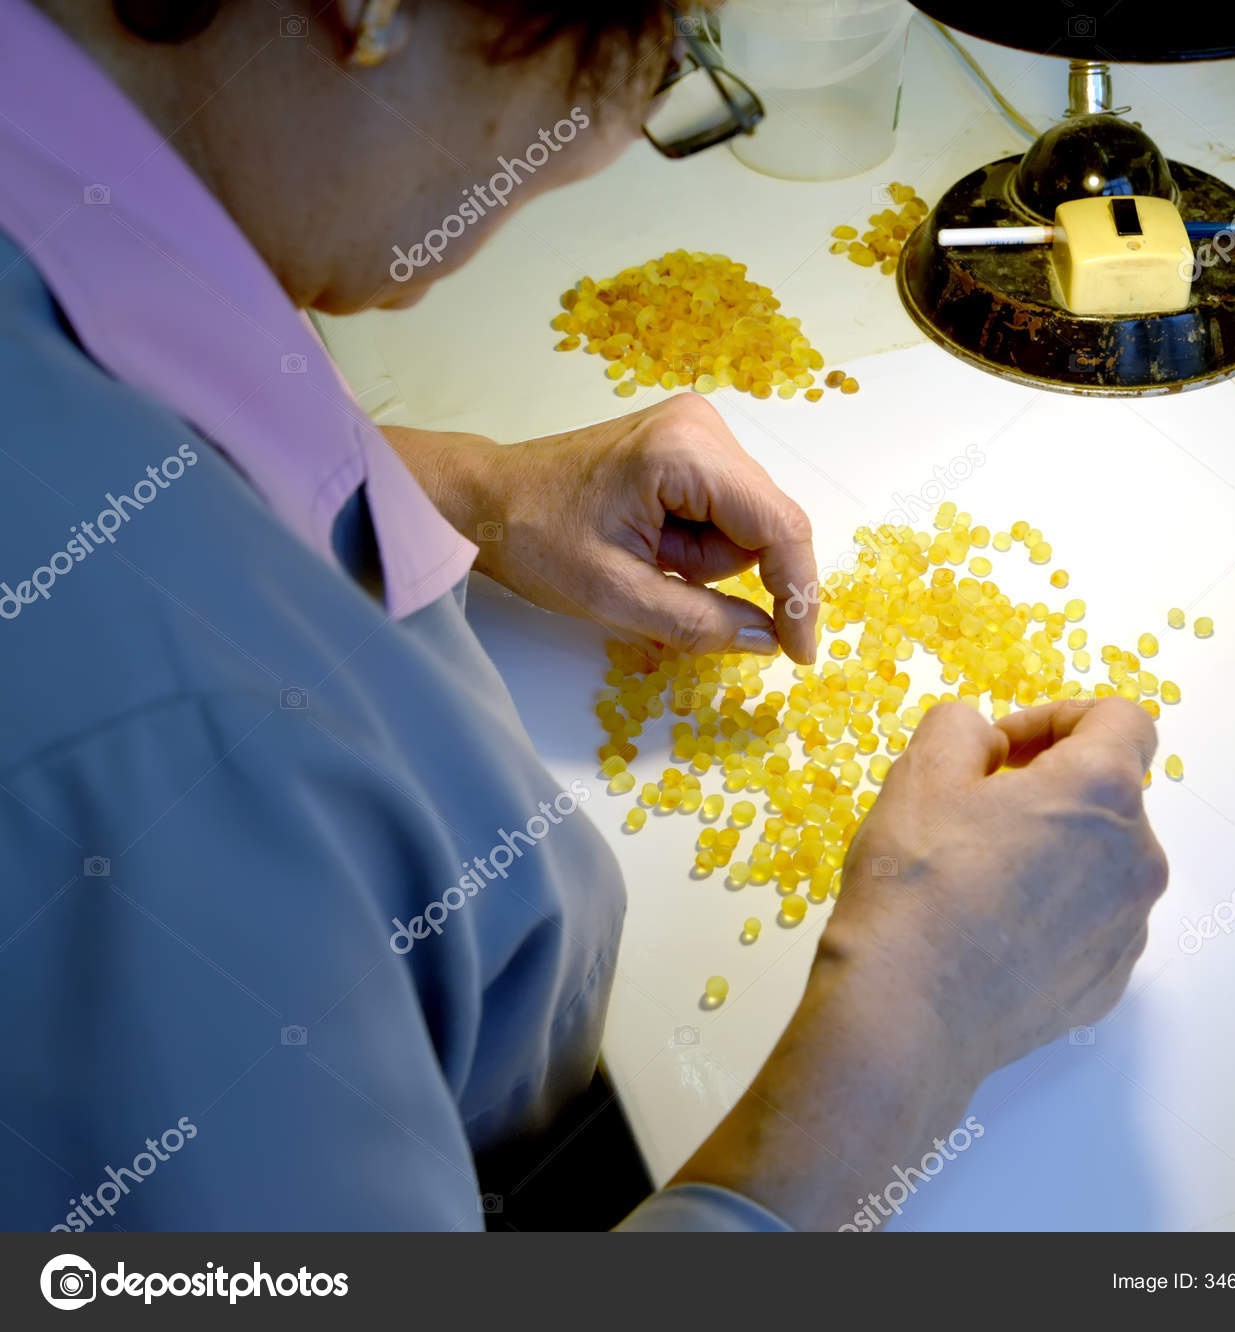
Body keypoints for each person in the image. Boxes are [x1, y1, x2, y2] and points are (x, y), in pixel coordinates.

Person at [0, 0, 1167, 1232]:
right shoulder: (156, 754)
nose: (599, 143)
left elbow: (163, 446)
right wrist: (915, 1020)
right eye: (662, 51)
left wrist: (467, 489)